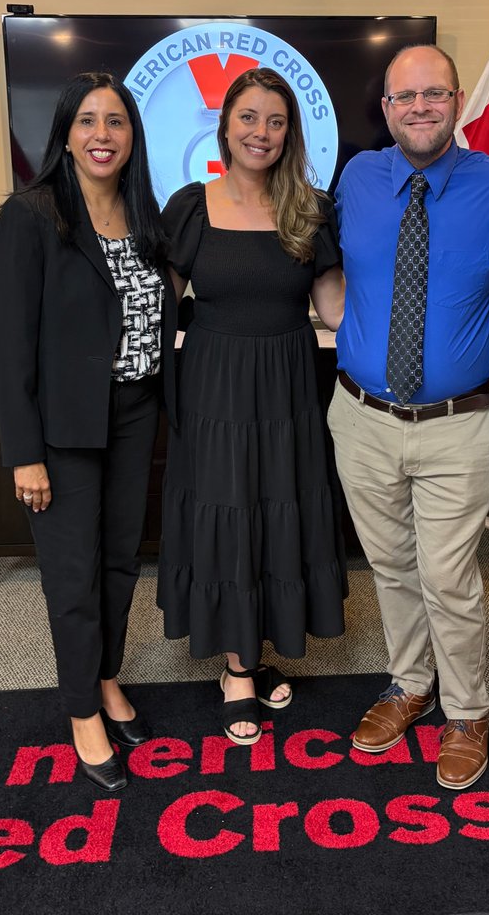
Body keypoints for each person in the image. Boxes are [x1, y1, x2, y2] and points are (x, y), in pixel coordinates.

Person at [327, 44, 489, 789]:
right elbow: (332, 262)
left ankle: (467, 710)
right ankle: (411, 686)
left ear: (457, 100)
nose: (419, 108)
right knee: (392, 567)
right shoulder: (360, 177)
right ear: (385, 110)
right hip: (363, 419)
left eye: (433, 94)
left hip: (457, 424)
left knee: (447, 574)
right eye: (404, 97)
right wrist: (342, 319)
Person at [0, 72, 177, 793]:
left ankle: (104, 677)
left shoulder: (142, 211)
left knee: (120, 560)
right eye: (89, 121)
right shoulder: (33, 215)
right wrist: (24, 454)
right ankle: (81, 712)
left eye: (117, 122)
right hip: (64, 429)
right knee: (71, 576)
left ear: (133, 136)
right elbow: (12, 344)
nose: (104, 134)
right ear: (66, 132)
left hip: (133, 415)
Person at [157, 66, 347, 745]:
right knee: (230, 507)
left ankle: (256, 647)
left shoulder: (310, 208)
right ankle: (237, 669)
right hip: (213, 383)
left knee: (276, 506)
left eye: (275, 120)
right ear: (225, 123)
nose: (260, 132)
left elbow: (333, 306)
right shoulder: (188, 206)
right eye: (248, 117)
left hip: (290, 380)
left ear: (290, 131)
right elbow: (159, 304)